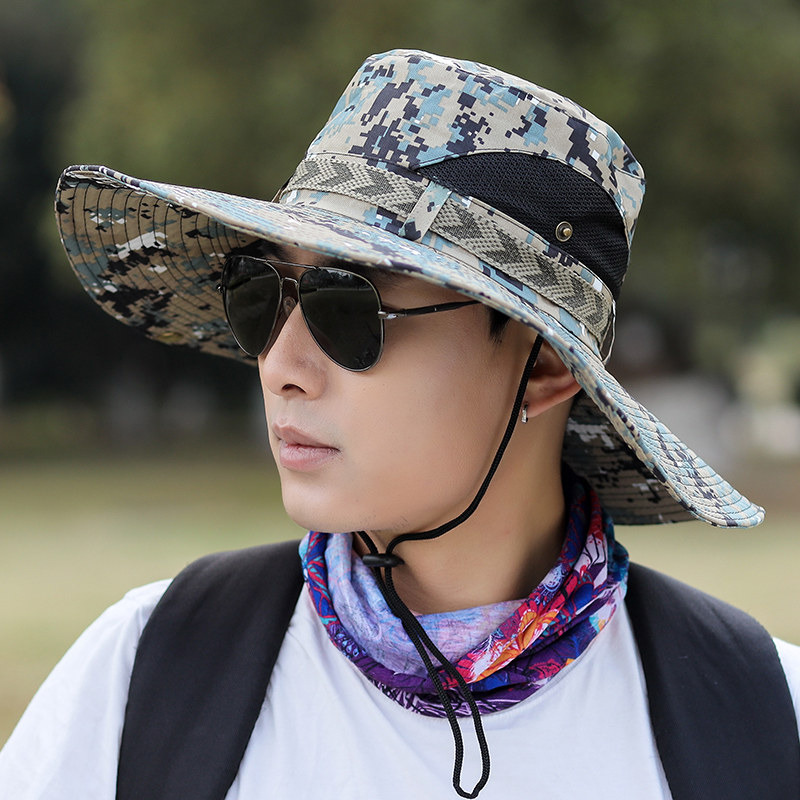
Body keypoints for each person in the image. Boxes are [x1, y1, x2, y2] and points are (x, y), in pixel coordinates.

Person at [1, 48, 798, 799]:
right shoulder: (149, 672)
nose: (280, 365)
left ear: (545, 365)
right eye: (263, 293)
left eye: (346, 306)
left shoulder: (757, 718)